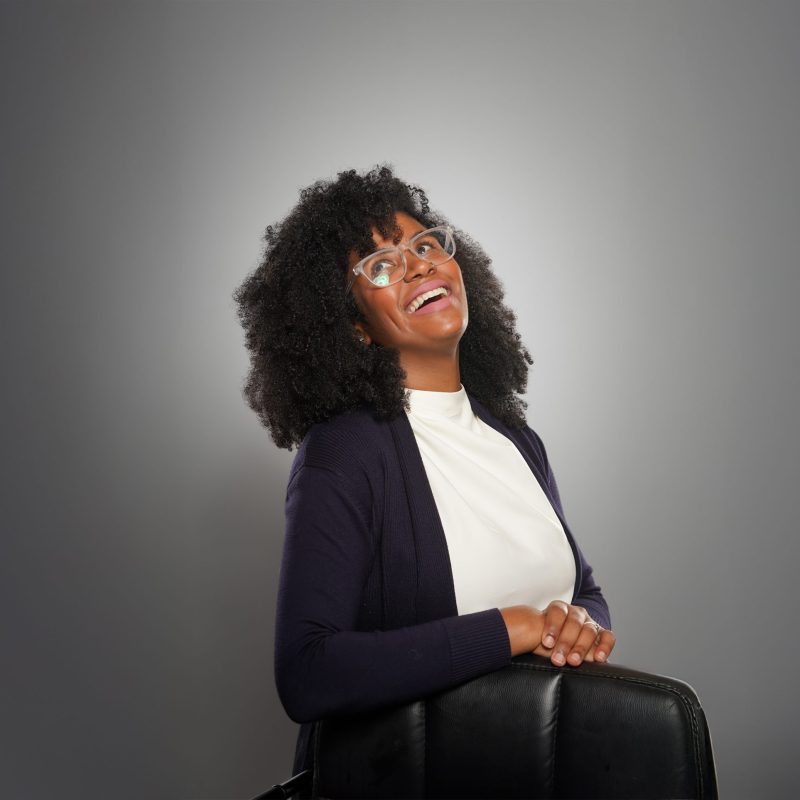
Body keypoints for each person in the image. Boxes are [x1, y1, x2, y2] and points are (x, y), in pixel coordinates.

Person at [234, 164, 616, 777]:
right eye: (381, 266)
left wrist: (580, 625)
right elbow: (308, 672)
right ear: (355, 327)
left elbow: (583, 590)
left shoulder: (517, 440)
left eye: (425, 245)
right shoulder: (346, 452)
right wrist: (511, 628)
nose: (416, 264)